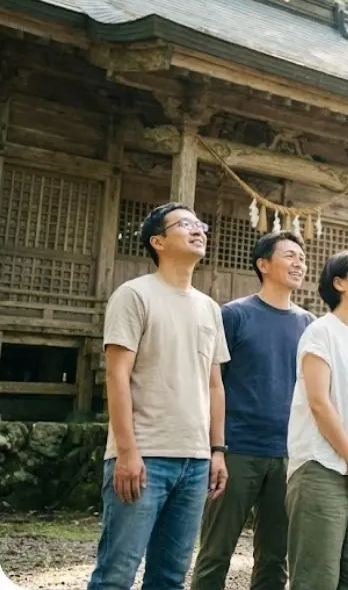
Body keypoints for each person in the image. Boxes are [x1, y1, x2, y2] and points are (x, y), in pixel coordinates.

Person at [88, 202, 230, 590]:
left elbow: (214, 384)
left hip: (196, 460)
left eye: (200, 223)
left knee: (169, 577)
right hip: (145, 455)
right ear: (158, 241)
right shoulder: (133, 295)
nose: (198, 229)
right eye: (185, 224)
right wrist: (127, 452)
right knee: (116, 573)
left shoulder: (210, 308)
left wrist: (217, 450)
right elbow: (117, 377)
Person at [192, 232, 315, 590]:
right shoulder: (234, 315)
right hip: (237, 450)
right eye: (289, 256)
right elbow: (212, 384)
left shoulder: (309, 324)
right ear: (263, 264)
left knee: (276, 556)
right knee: (216, 551)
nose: (299, 264)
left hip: (288, 453)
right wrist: (215, 447)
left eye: (302, 258)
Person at [286, 250, 348, 590]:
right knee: (318, 576)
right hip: (322, 466)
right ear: (339, 283)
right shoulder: (320, 333)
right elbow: (319, 402)